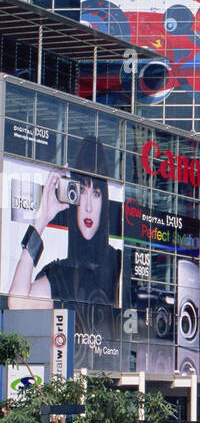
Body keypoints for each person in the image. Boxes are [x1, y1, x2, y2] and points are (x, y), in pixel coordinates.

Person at [6, 136, 122, 336]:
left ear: (104, 200)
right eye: (82, 191)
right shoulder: (61, 274)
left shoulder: (118, 261)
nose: (88, 206)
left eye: (96, 193)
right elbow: (17, 303)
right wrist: (41, 219)